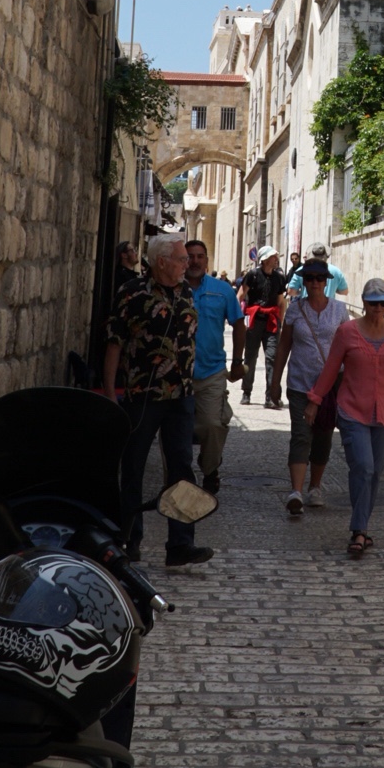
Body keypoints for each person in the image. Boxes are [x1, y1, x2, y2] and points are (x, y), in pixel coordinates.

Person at [103, 232, 212, 570]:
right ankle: (127, 539)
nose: (188, 264)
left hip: (181, 397)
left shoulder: (186, 293)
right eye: (182, 259)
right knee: (132, 466)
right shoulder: (132, 293)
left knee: (182, 468)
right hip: (143, 396)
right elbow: (114, 343)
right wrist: (110, 395)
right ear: (162, 261)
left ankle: (180, 544)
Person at [306, 277, 384, 560]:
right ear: (364, 303)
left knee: (374, 473)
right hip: (352, 410)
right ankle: (358, 530)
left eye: (383, 303)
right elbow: (331, 369)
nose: (378, 308)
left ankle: (362, 528)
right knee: (364, 468)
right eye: (372, 303)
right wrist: (315, 401)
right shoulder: (347, 332)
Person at [270, 258, 351, 517]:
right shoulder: (295, 309)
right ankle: (296, 491)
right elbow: (284, 346)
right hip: (300, 382)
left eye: (319, 278)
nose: (314, 282)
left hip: (330, 384)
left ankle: (315, 487)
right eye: (309, 278)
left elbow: (349, 349)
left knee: (324, 435)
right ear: (303, 281)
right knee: (301, 434)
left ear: (326, 281)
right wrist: (274, 381)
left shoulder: (339, 311)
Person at [185, 239, 245, 496]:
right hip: (177, 374)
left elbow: (239, 324)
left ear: (207, 260)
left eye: (200, 256)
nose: (195, 261)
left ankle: (210, 469)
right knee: (175, 428)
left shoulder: (222, 291)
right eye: (190, 257)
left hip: (211, 372)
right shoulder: (173, 289)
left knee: (212, 424)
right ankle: (178, 477)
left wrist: (238, 361)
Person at [238, 244, 287, 406]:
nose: (276, 260)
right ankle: (246, 392)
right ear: (265, 259)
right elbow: (240, 295)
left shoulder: (279, 278)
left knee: (272, 358)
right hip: (254, 321)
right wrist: (239, 319)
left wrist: (281, 320)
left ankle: (271, 396)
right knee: (250, 357)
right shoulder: (252, 275)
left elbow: (281, 301)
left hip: (271, 321)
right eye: (273, 257)